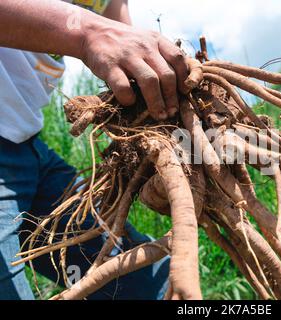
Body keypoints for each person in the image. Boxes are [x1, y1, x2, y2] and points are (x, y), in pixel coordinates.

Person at [0, 0, 188, 300]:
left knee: (151, 284)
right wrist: (88, 32)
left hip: (27, 146)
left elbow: (114, 19)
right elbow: (99, 29)